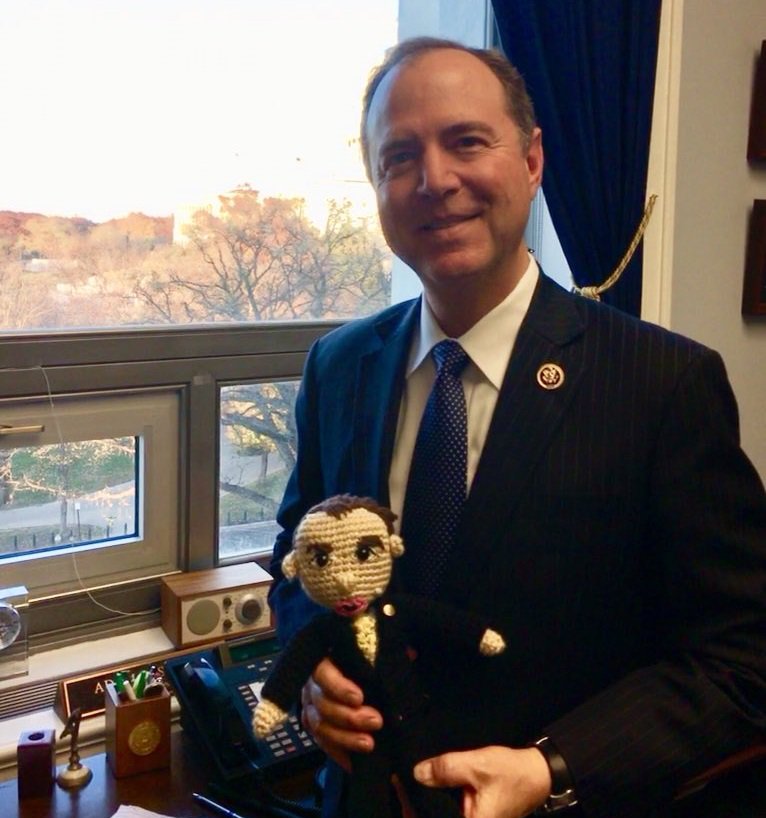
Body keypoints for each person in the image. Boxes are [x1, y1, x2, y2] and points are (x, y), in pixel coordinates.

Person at [267, 36, 766, 818]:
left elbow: (742, 654)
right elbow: (297, 557)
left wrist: (553, 768)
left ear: (532, 161)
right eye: (400, 157)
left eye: (467, 142)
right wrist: (310, 675)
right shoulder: (338, 367)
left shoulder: (663, 384)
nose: (435, 180)